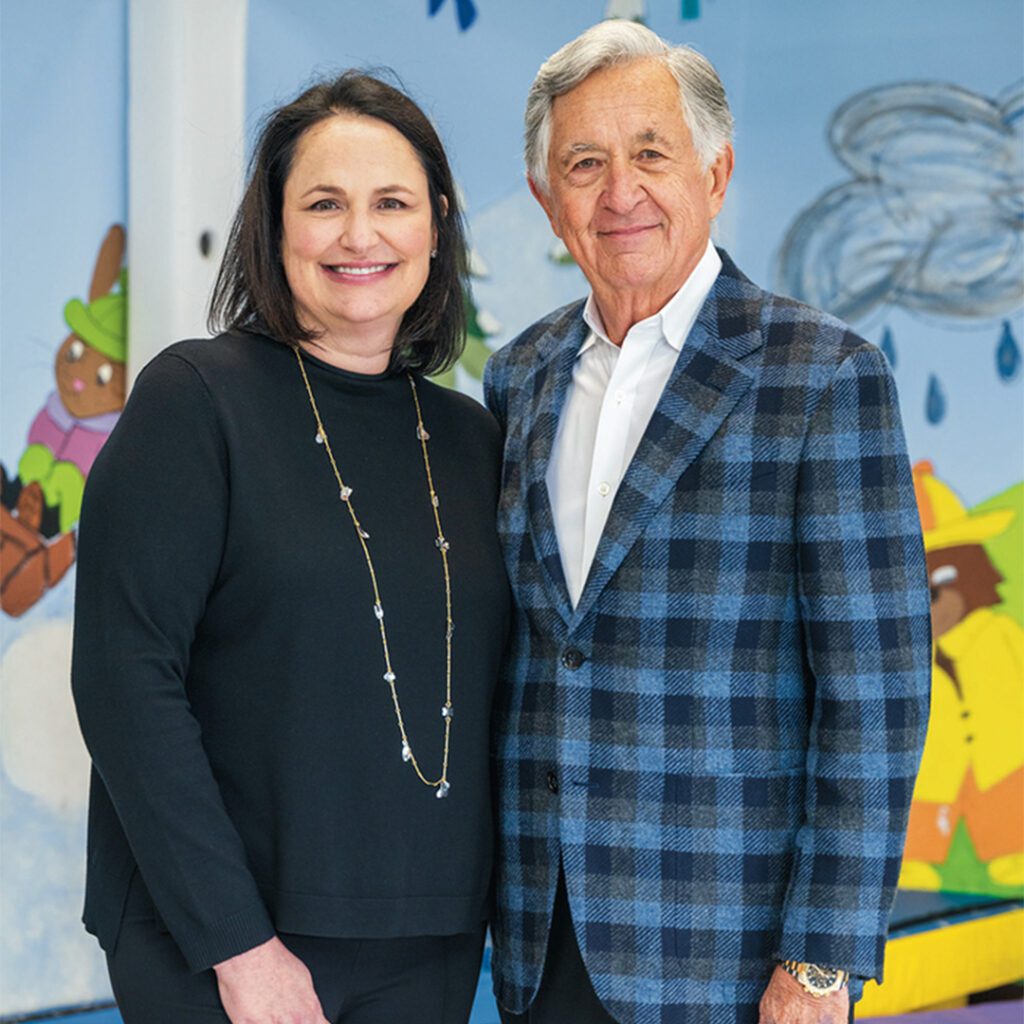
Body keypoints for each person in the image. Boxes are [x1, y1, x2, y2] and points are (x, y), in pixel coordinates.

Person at [483, 21, 931, 1024]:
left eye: (651, 152)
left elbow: (877, 697)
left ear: (715, 172)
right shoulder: (517, 376)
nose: (618, 192)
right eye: (583, 164)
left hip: (730, 950)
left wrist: (819, 964)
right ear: (546, 201)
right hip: (541, 936)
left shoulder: (820, 375)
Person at [72, 71, 509, 1024]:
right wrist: (239, 947)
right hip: (224, 943)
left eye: (391, 203)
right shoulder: (195, 400)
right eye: (324, 204)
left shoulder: (476, 442)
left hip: (428, 943)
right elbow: (123, 679)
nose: (361, 236)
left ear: (436, 225)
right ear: (274, 229)